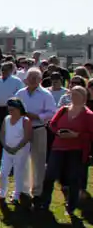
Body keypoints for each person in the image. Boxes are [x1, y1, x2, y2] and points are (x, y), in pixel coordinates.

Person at [39, 86, 93, 215]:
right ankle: (44, 203)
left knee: (73, 179)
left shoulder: (88, 115)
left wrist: (77, 135)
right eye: (73, 95)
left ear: (84, 98)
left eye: (77, 95)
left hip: (76, 150)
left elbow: (91, 134)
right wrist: (58, 132)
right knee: (49, 175)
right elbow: (52, 124)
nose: (74, 98)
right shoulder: (63, 110)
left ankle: (71, 206)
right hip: (58, 147)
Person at [14, 68, 57, 199]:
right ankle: (23, 189)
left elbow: (51, 112)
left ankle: (37, 190)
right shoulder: (20, 93)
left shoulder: (45, 94)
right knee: (22, 159)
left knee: (38, 160)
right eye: (30, 77)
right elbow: (13, 107)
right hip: (22, 130)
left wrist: (37, 116)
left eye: (35, 77)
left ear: (40, 80)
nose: (32, 80)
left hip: (38, 128)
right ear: (26, 79)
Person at [0, 98, 32, 204]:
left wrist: (16, 148)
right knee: (3, 172)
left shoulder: (25, 120)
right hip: (7, 150)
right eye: (9, 109)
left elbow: (27, 137)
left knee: (18, 172)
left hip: (20, 150)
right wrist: (5, 146)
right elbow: (2, 133)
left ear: (19, 109)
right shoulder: (7, 119)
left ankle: (16, 195)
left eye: (13, 109)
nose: (10, 112)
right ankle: (2, 193)